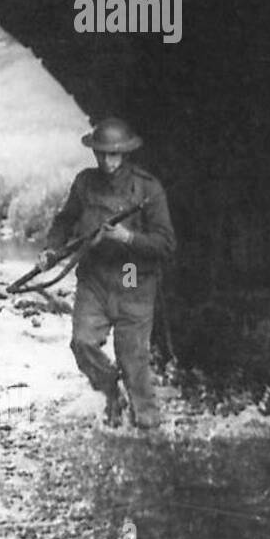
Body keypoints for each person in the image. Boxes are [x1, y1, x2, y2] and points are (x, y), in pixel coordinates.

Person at [39, 118, 176, 429]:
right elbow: (64, 221)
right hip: (95, 279)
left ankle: (148, 427)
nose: (107, 161)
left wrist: (128, 238)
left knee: (134, 362)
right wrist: (51, 249)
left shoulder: (148, 188)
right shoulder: (85, 183)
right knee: (82, 342)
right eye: (101, 153)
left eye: (113, 154)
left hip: (134, 281)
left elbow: (166, 244)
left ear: (125, 154)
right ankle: (110, 390)